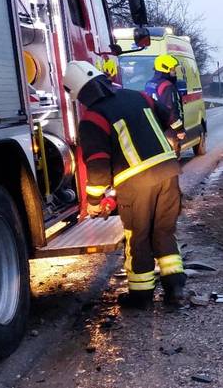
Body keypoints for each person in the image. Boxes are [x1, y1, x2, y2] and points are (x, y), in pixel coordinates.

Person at [64, 61, 185, 310]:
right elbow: (166, 116)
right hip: (168, 171)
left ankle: (141, 296)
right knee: (163, 231)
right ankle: (176, 289)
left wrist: (95, 202)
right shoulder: (138, 96)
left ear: (80, 94)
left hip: (136, 182)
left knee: (138, 237)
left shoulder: (93, 117)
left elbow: (98, 166)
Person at [144, 54, 185, 155]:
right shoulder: (167, 86)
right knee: (172, 162)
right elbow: (170, 111)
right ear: (165, 68)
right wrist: (179, 130)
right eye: (173, 69)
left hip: (154, 128)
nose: (175, 72)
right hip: (168, 130)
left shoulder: (149, 84)